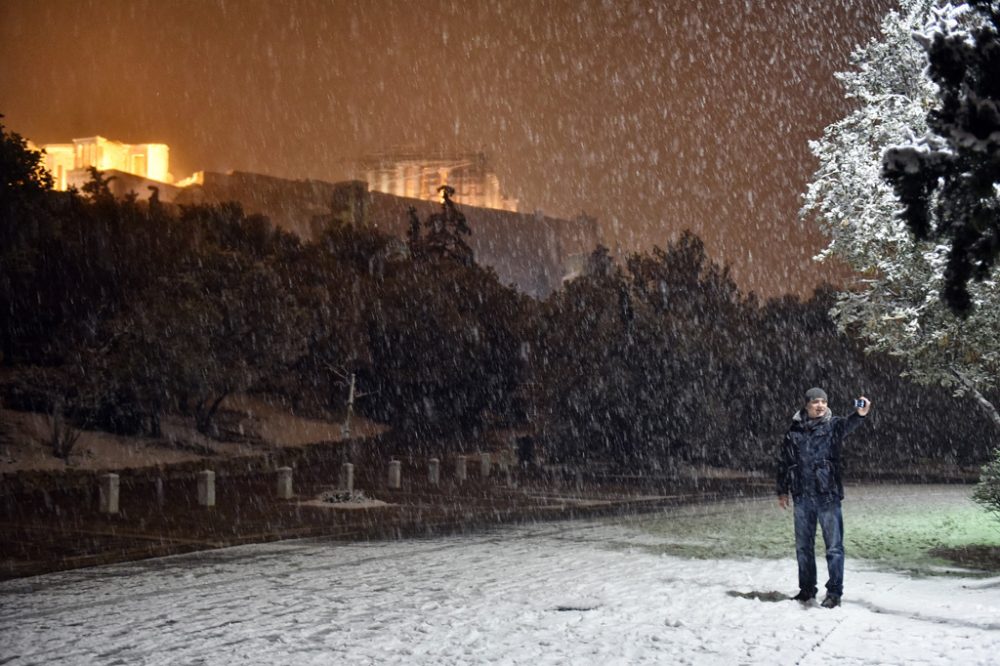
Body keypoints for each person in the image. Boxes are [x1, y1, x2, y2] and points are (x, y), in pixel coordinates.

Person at [776, 387, 870, 608]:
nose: (820, 405)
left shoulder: (834, 425)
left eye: (824, 402)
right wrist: (782, 490)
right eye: (816, 402)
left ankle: (834, 593)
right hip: (801, 496)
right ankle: (807, 590)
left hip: (827, 495)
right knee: (803, 547)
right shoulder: (794, 430)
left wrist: (860, 414)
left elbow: (850, 423)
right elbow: (784, 462)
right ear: (807, 405)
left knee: (834, 548)